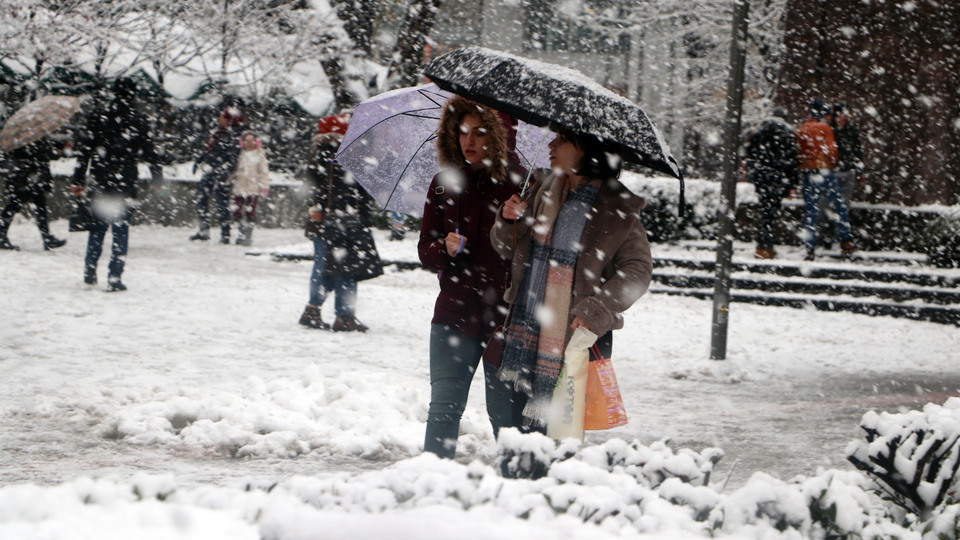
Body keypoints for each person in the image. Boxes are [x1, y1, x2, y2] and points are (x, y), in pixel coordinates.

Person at [492, 125, 653, 434]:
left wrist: (596, 310)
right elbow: (504, 247)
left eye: (563, 139)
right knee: (520, 432)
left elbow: (638, 270)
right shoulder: (541, 188)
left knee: (561, 433)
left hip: (578, 335)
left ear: (589, 149)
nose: (551, 144)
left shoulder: (617, 205)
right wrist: (508, 220)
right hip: (528, 332)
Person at [419, 96, 527, 459]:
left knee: (506, 417)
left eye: (480, 133)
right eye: (463, 131)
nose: (469, 140)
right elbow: (425, 250)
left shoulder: (523, 186)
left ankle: (518, 484)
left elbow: (534, 252)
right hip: (454, 313)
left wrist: (518, 221)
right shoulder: (443, 184)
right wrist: (443, 249)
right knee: (443, 408)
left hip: (506, 319)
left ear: (498, 136)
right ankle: (433, 480)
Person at [71, 77, 162, 291]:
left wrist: (78, 178)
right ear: (133, 95)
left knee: (97, 228)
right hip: (125, 182)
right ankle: (115, 276)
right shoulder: (139, 119)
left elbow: (85, 150)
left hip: (101, 179)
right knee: (121, 231)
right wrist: (157, 177)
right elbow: (150, 151)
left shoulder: (99, 116)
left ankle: (90, 269)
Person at [298, 114, 382, 332]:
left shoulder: (341, 154)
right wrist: (317, 208)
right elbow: (318, 187)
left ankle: (327, 312)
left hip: (338, 221)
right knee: (338, 268)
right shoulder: (337, 155)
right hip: (337, 221)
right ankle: (338, 314)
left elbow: (317, 187)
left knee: (336, 268)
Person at [795, 98, 856, 261]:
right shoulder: (824, 128)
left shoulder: (801, 129)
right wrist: (831, 163)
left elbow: (797, 152)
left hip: (807, 173)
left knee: (811, 210)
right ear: (823, 114)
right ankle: (845, 239)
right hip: (823, 171)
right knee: (840, 204)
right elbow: (831, 150)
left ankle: (809, 247)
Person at [744, 108, 797, 259]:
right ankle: (765, 245)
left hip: (762, 177)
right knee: (772, 212)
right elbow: (791, 161)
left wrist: (754, 173)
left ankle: (763, 245)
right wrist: (792, 184)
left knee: (765, 210)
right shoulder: (787, 134)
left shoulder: (759, 133)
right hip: (779, 178)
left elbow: (749, 154)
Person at [0, 137, 67, 251]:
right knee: (18, 205)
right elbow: (42, 154)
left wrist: (57, 148)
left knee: (31, 206)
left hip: (27, 177)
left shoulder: (24, 137)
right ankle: (46, 238)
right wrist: (56, 151)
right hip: (29, 177)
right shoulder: (30, 138)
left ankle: (46, 237)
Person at [190, 107, 244, 243]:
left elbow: (233, 160)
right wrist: (199, 160)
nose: (219, 118)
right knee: (202, 200)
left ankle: (225, 234)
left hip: (221, 176)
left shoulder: (233, 137)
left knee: (222, 204)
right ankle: (203, 231)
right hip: (210, 171)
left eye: (222, 117)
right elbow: (209, 150)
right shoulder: (216, 133)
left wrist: (222, 172)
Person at [229, 131, 271, 246]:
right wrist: (226, 180)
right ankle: (241, 233)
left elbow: (264, 172)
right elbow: (234, 170)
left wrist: (265, 186)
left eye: (251, 141)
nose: (249, 143)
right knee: (236, 210)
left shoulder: (260, 154)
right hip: (240, 186)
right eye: (246, 141)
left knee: (250, 212)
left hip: (253, 187)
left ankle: (248, 236)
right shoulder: (239, 153)